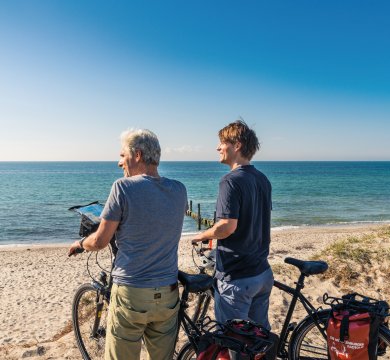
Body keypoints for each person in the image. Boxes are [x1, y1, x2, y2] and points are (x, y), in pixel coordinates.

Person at [69, 129, 188, 360]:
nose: (118, 162)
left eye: (122, 155)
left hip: (132, 292)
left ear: (138, 155)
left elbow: (101, 240)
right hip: (168, 292)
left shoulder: (122, 187)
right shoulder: (179, 189)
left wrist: (81, 243)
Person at [192, 120, 273, 330]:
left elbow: (227, 226)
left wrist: (202, 235)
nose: (218, 148)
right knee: (257, 339)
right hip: (262, 273)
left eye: (221, 143)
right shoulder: (263, 179)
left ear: (236, 145)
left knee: (233, 340)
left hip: (238, 277)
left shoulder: (230, 181)